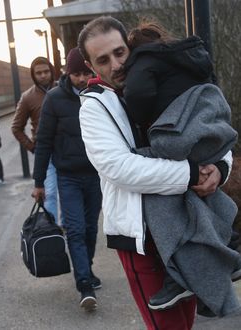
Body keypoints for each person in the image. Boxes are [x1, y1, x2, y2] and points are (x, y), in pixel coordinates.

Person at [77, 16, 233, 329]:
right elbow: (119, 167)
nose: (116, 65)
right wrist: (191, 175)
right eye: (103, 60)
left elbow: (210, 128)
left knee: (185, 324)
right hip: (140, 237)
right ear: (89, 64)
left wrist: (219, 168)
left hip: (188, 230)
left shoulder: (161, 77)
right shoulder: (94, 106)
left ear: (130, 47)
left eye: (120, 53)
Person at [121, 21, 241, 315]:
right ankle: (231, 246)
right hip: (211, 132)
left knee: (143, 168)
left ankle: (179, 276)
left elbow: (137, 99)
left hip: (180, 138)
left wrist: (138, 117)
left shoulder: (143, 60)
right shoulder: (189, 54)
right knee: (193, 191)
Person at [32, 48, 102, 312]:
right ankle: (84, 283)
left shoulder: (99, 94)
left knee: (91, 228)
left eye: (86, 73)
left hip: (96, 175)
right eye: (76, 74)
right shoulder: (54, 98)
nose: (82, 79)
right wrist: (39, 182)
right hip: (68, 176)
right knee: (75, 228)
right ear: (67, 73)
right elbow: (44, 143)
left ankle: (88, 269)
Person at [11, 57, 61, 223]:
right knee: (50, 193)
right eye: (38, 73)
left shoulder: (63, 89)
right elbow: (16, 127)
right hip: (45, 154)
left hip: (66, 149)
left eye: (46, 71)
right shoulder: (27, 97)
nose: (43, 75)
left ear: (51, 71)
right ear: (33, 75)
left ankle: (68, 226)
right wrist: (32, 147)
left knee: (69, 192)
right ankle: (52, 227)